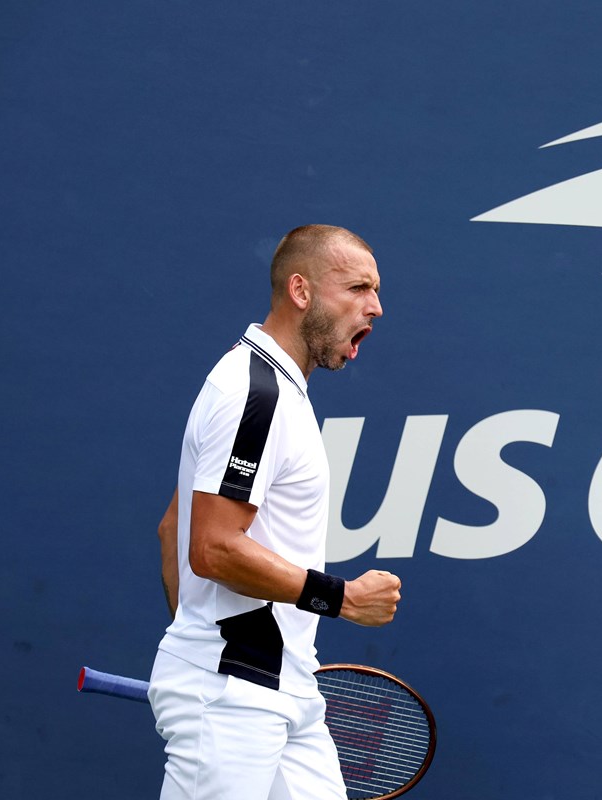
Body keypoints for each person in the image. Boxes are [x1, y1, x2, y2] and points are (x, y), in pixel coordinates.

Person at [149, 224, 403, 800]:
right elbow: (210, 546)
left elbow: (174, 527)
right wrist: (339, 598)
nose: (376, 307)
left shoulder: (278, 393)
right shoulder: (253, 393)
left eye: (377, 290)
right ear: (301, 291)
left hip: (284, 690)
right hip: (233, 699)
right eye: (359, 287)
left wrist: (198, 644)